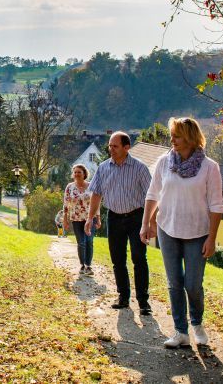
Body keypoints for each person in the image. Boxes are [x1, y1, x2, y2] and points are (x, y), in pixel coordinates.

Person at [141, 117, 223, 349]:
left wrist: (212, 238)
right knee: (174, 282)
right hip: (168, 229)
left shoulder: (210, 167)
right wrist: (146, 223)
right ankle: (180, 332)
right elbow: (153, 194)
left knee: (193, 285)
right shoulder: (164, 162)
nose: (172, 140)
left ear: (190, 137)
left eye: (177, 136)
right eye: (172, 135)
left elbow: (216, 205)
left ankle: (197, 323)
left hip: (198, 232)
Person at [85, 131, 153, 313]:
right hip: (114, 217)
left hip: (136, 217)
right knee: (117, 259)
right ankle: (123, 297)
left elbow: (151, 196)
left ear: (126, 147)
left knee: (139, 258)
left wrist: (150, 222)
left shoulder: (140, 168)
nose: (111, 149)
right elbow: (96, 194)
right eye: (110, 146)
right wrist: (90, 218)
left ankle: (143, 301)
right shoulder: (103, 168)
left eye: (115, 146)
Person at [63, 164, 101, 275]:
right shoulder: (69, 187)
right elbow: (66, 203)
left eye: (79, 172)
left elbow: (96, 203)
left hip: (90, 218)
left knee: (89, 241)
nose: (77, 174)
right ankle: (82, 265)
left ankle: (88, 266)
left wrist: (98, 218)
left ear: (84, 174)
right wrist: (65, 219)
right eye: (75, 172)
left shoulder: (91, 186)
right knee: (81, 242)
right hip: (76, 219)